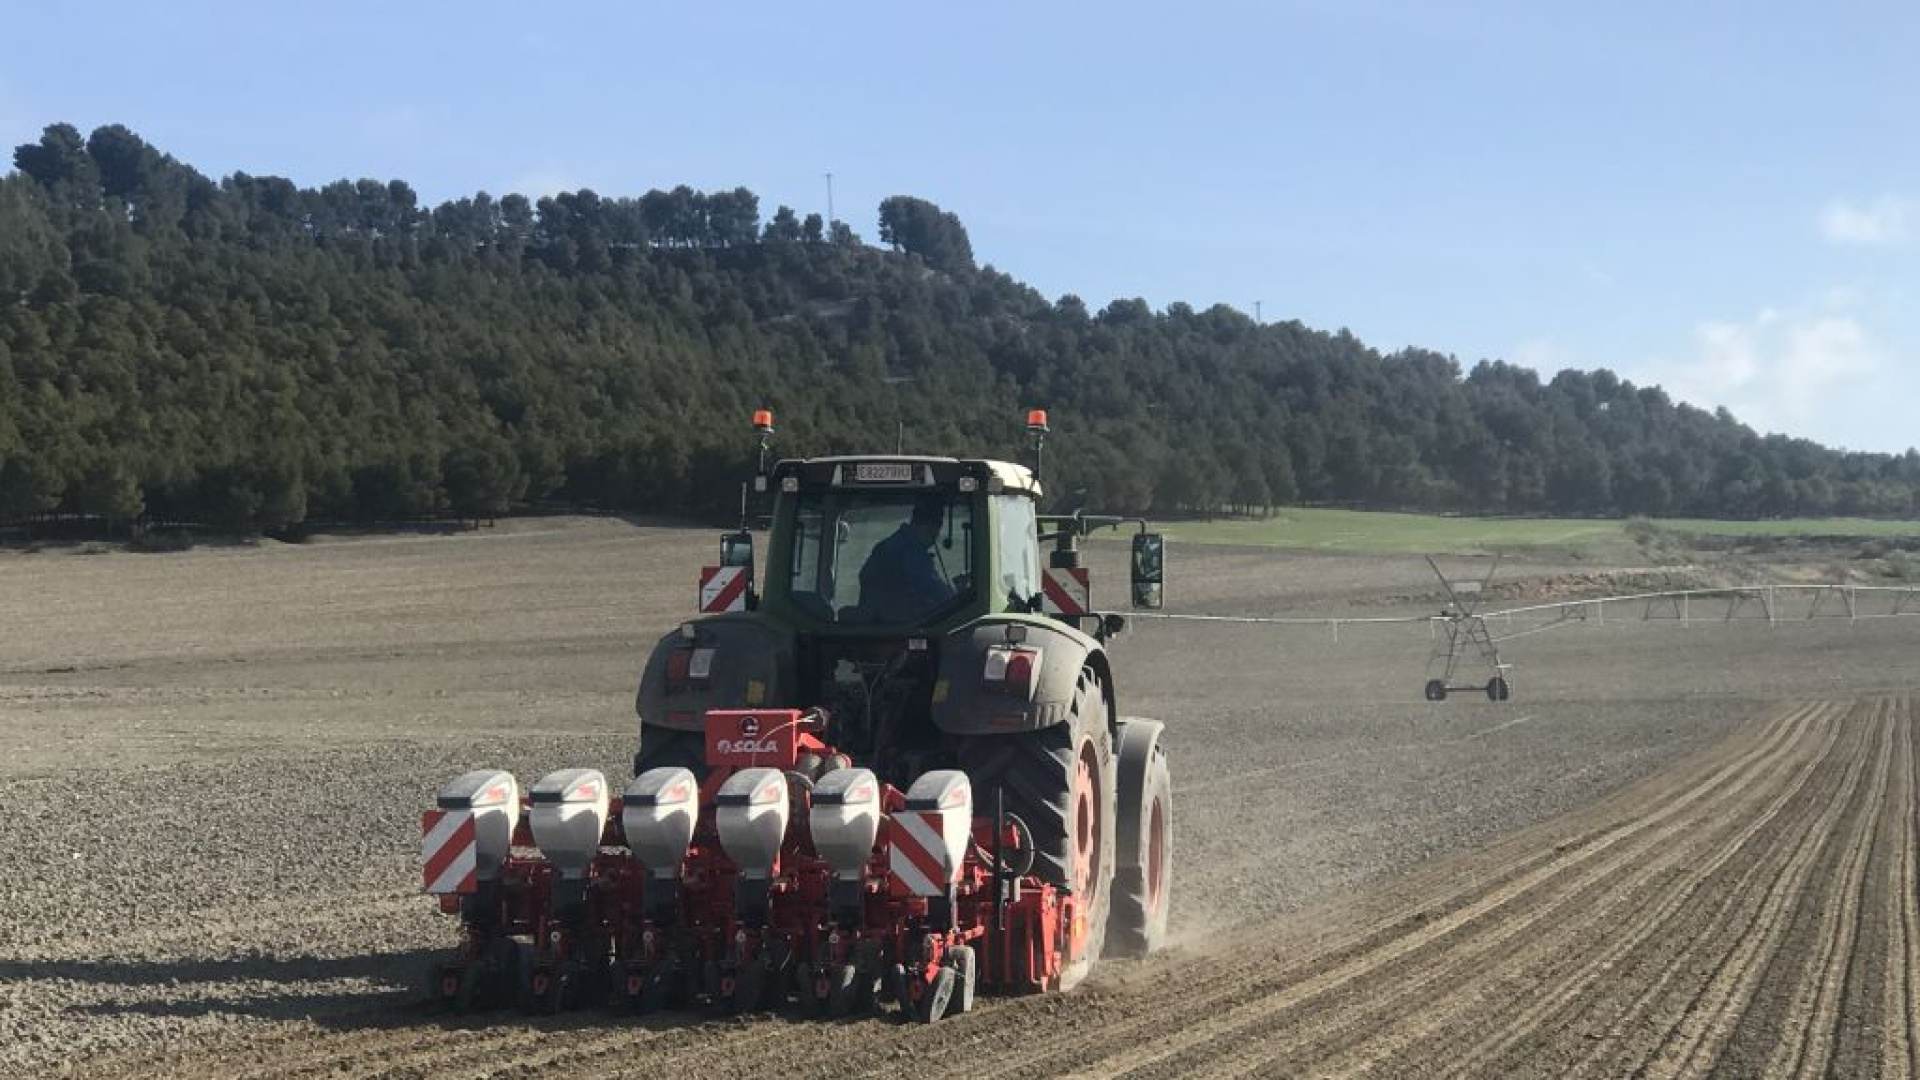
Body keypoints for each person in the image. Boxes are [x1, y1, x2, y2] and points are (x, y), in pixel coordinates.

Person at [858, 495, 956, 622]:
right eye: (931, 531)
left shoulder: (887, 545)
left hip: (876, 622)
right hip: (899, 626)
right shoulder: (910, 552)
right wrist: (958, 598)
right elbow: (937, 591)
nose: (933, 539)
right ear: (917, 524)